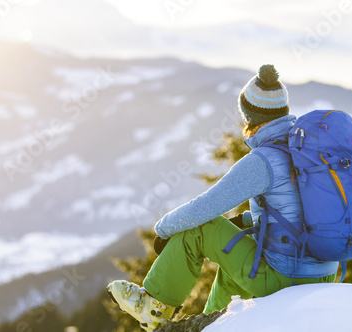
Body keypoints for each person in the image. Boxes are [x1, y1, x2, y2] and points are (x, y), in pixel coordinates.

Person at [107, 64, 339, 331]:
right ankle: (215, 321)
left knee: (200, 230)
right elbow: (300, 213)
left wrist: (163, 229)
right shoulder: (306, 152)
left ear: (250, 117)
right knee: (237, 245)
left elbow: (203, 209)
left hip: (286, 279)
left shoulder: (263, 161)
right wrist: (246, 220)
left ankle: (154, 306)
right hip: (323, 274)